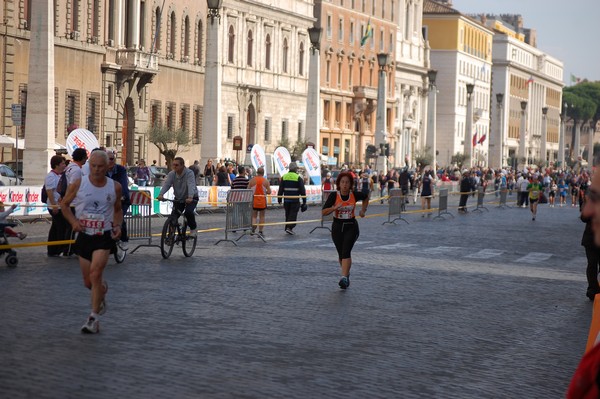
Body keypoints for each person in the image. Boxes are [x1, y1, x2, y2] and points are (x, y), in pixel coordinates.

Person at [60, 150, 123, 334]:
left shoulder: (115, 187)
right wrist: (73, 222)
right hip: (84, 235)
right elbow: (64, 205)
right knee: (89, 282)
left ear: (107, 167)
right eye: (93, 166)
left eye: (100, 166)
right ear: (89, 165)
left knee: (96, 274)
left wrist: (117, 226)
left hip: (103, 236)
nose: (96, 170)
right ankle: (100, 292)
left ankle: (93, 318)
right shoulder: (79, 183)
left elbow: (118, 210)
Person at [321, 171, 369, 289]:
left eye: (347, 182)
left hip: (351, 226)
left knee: (346, 250)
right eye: (342, 182)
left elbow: (366, 197)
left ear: (350, 184)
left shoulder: (354, 195)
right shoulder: (334, 195)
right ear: (339, 184)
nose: (345, 185)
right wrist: (334, 208)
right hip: (337, 227)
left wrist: (363, 210)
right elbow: (323, 211)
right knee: (341, 253)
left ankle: (343, 277)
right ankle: (346, 275)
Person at [156, 157, 199, 237]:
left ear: (182, 165)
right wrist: (161, 194)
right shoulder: (172, 174)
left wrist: (190, 197)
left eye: (177, 165)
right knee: (173, 217)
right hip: (179, 198)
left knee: (188, 212)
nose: (174, 167)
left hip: (191, 198)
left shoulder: (189, 173)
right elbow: (167, 184)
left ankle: (193, 228)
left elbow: (191, 185)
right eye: (173, 165)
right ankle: (170, 235)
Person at [107, 150, 131, 250]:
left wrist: (122, 195)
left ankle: (124, 239)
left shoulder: (121, 170)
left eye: (112, 159)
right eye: (107, 159)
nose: (110, 161)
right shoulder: (102, 170)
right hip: (108, 199)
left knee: (119, 217)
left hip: (122, 199)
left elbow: (123, 184)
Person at [44, 155, 68, 257]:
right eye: (62, 164)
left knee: (55, 227)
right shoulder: (51, 176)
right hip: (55, 206)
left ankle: (53, 249)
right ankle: (58, 248)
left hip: (60, 205)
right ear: (57, 165)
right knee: (59, 227)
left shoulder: (59, 175)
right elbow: (49, 191)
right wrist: (54, 205)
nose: (64, 165)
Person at [277, 162, 307, 235]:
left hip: (286, 199)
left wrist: (279, 199)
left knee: (287, 214)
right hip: (295, 199)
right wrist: (304, 201)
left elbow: (280, 189)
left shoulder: (284, 177)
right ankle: (289, 228)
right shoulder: (298, 177)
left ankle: (287, 227)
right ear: (295, 169)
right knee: (293, 214)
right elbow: (302, 190)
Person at [248, 167, 271, 237]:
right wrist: (265, 192)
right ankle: (260, 231)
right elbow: (269, 191)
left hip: (254, 200)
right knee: (262, 216)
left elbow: (248, 189)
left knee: (254, 216)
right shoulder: (266, 181)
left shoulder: (252, 180)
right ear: (263, 173)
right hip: (262, 201)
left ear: (257, 172)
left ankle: (253, 229)